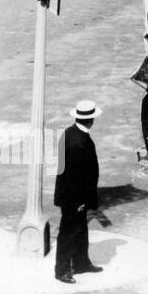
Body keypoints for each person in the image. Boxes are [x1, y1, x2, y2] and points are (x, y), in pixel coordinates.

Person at [54, 100, 109, 283]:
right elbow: (75, 176)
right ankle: (62, 270)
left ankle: (81, 263)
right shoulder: (79, 141)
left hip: (69, 195)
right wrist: (79, 202)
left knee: (80, 230)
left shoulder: (69, 134)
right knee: (69, 232)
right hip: (74, 197)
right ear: (91, 119)